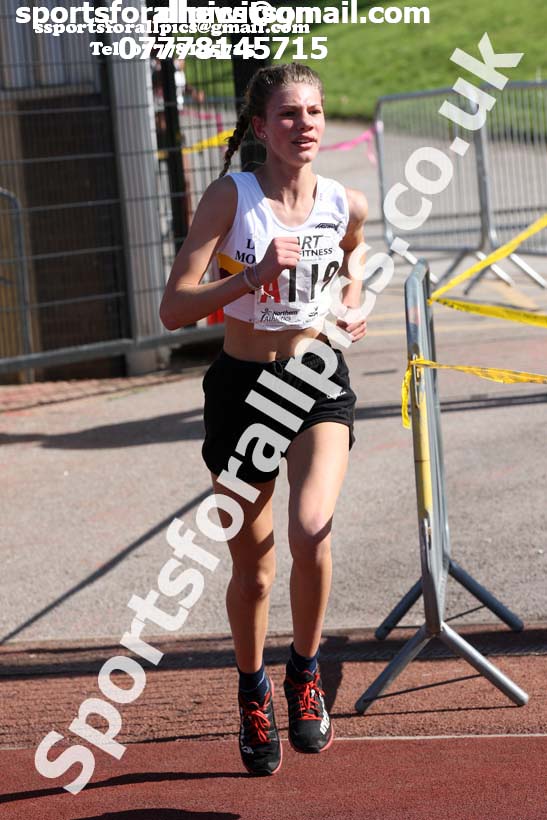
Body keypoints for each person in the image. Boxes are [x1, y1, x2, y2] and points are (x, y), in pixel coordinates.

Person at [159, 63, 368, 777]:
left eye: (313, 111)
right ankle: (252, 689)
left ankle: (304, 672)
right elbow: (174, 307)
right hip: (243, 389)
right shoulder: (232, 197)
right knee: (252, 572)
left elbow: (354, 255)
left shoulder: (344, 201)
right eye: (287, 114)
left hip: (314, 379)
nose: (303, 124)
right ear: (260, 126)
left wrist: (352, 302)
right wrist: (250, 277)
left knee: (311, 530)